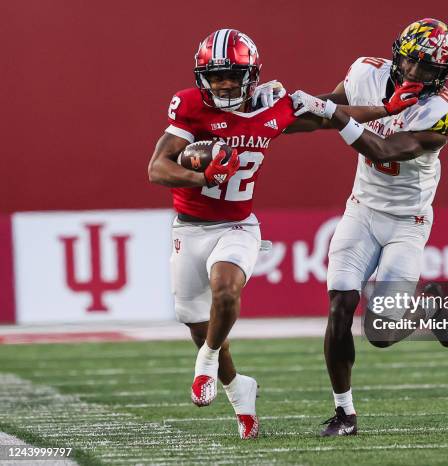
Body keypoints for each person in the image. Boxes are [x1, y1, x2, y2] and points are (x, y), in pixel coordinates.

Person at [147, 28, 416, 439]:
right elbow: (157, 168)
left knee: (225, 289)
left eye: (232, 75)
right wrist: (198, 174)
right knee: (198, 322)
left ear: (251, 74)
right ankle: (240, 392)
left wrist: (383, 109)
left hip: (238, 225)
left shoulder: (273, 109)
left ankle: (205, 363)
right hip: (189, 228)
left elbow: (329, 117)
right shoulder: (190, 105)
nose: (223, 83)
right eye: (216, 75)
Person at [289, 18, 448, 436]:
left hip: (408, 221)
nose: (417, 73)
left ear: (442, 72)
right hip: (363, 210)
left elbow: (384, 147)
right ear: (397, 54)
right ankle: (344, 413)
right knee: (339, 307)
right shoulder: (365, 73)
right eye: (412, 62)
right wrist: (267, 121)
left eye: (428, 69)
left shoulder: (444, 110)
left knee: (382, 333)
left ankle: (427, 308)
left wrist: (334, 115)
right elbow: (324, 111)